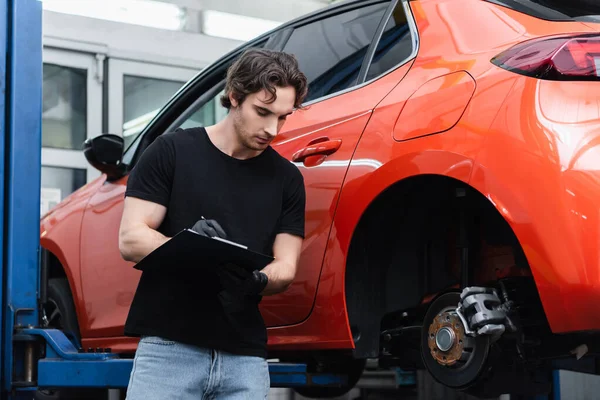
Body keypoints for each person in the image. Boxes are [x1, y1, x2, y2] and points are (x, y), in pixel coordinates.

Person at [118, 48, 309, 399]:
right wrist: (189, 245)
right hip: (169, 349)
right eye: (262, 112)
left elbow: (286, 266)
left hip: (244, 358)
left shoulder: (287, 179)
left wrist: (258, 280)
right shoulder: (171, 151)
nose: (272, 129)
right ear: (234, 96)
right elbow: (131, 239)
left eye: (282, 117)